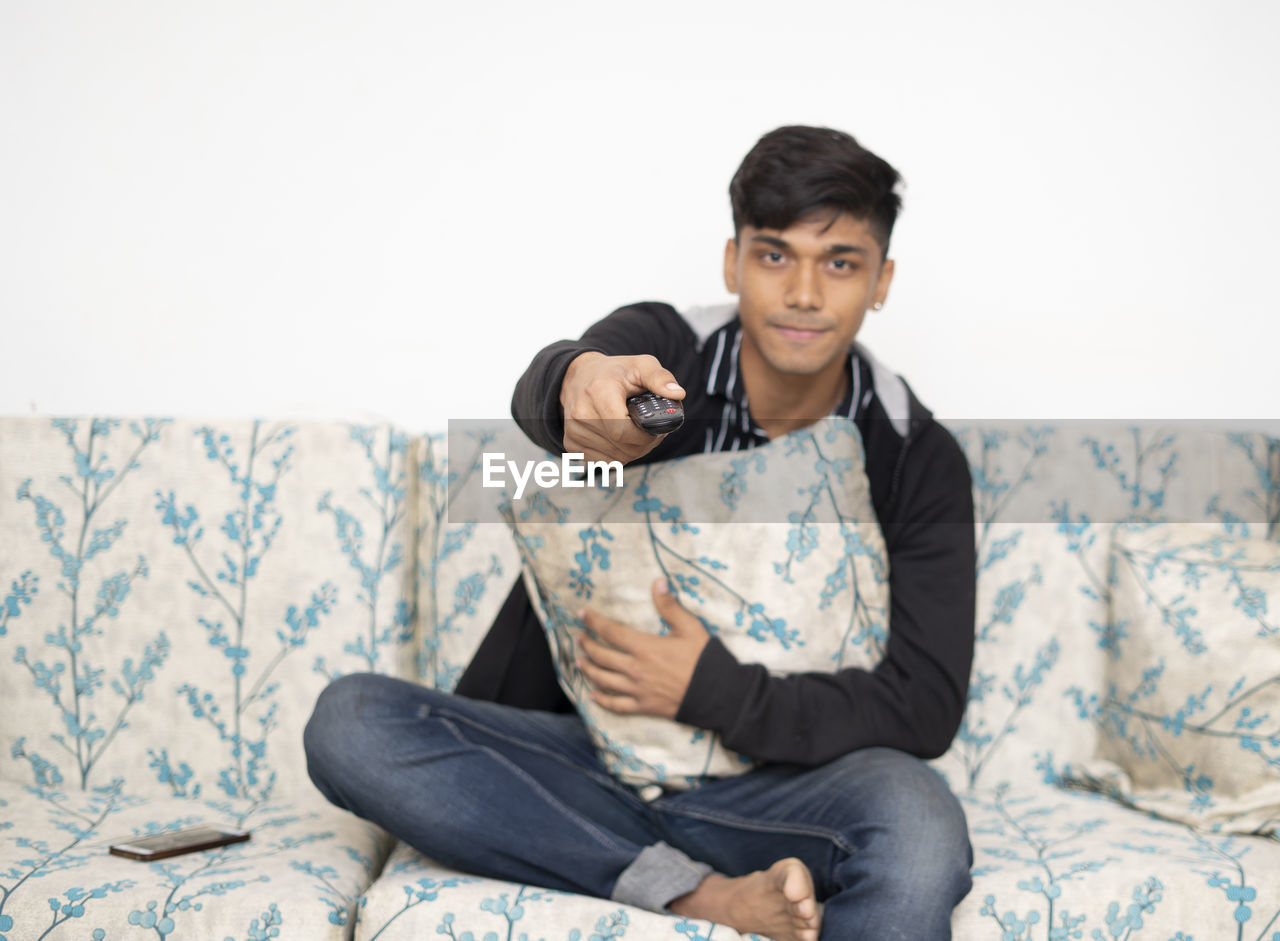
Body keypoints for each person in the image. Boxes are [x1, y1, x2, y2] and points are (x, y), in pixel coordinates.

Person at [305, 125, 977, 941]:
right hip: (590, 766)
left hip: (791, 791)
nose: (804, 290)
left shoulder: (913, 454)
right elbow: (570, 378)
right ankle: (699, 894)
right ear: (733, 262)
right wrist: (580, 386)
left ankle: (672, 863)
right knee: (350, 722)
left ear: (882, 280)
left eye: (839, 261)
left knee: (922, 827)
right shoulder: (670, 360)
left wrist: (712, 691)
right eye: (774, 255)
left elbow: (925, 703)